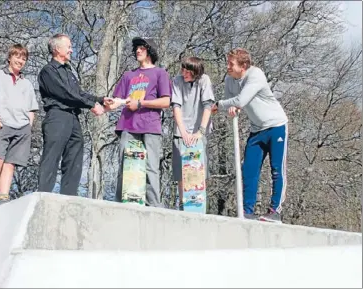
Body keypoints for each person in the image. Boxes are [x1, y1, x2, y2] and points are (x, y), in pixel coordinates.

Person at [212, 48, 288, 223]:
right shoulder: (230, 80)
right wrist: (230, 107)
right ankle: (247, 211)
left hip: (276, 126)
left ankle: (275, 211)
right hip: (257, 129)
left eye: (231, 64)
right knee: (249, 169)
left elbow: (239, 100)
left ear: (243, 66)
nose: (228, 67)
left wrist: (220, 105)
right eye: (228, 63)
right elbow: (232, 101)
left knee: (277, 170)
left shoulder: (256, 75)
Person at [104, 37, 172, 207]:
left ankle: (154, 207)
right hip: (128, 125)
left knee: (150, 168)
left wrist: (141, 103)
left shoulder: (160, 73)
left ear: (150, 50)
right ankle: (121, 205)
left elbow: (166, 102)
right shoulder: (129, 75)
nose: (137, 51)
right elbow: (118, 100)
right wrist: (102, 107)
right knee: (125, 166)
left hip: (150, 126)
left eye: (141, 48)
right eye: (136, 48)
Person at [0, 43, 39, 215]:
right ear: (10, 57)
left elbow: (32, 107)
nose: (20, 61)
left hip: (22, 128)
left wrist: (29, 125)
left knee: (10, 164)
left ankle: (3, 199)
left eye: (24, 58)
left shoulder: (26, 83)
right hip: (2, 125)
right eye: (17, 56)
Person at [37, 33, 105, 196]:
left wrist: (101, 100)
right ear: (57, 49)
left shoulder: (69, 72)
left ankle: (69, 196)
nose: (71, 50)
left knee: (74, 158)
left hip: (73, 118)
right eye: (68, 47)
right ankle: (43, 194)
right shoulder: (48, 71)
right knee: (52, 157)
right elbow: (65, 93)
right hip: (57, 117)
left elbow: (78, 93)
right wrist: (91, 105)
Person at [170, 56, 215, 209]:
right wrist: (183, 132)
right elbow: (176, 106)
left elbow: (208, 106)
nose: (184, 74)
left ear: (196, 72)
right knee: (181, 172)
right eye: (183, 70)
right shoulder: (177, 80)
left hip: (198, 133)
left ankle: (199, 204)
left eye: (188, 72)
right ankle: (183, 204)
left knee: (198, 170)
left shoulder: (204, 80)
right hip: (181, 132)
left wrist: (200, 131)